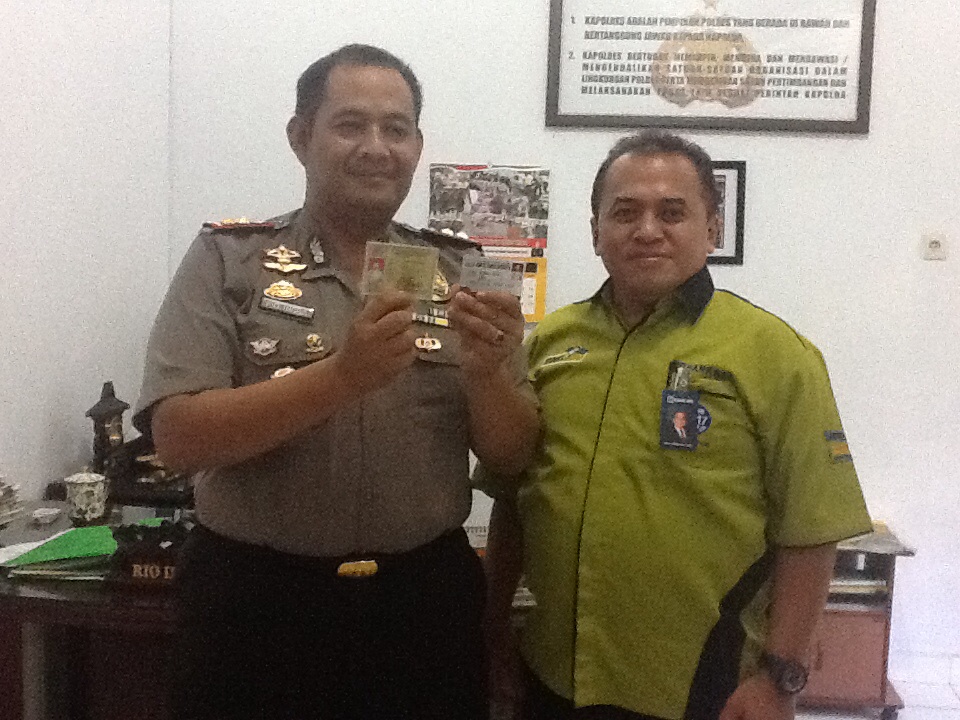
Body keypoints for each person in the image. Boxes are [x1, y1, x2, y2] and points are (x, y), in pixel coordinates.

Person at [134, 44, 539, 720]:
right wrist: (341, 378)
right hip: (258, 606)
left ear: (417, 147)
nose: (376, 147)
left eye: (396, 128)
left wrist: (486, 375)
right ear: (301, 137)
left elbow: (514, 455)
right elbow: (178, 438)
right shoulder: (228, 260)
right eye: (351, 125)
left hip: (422, 606)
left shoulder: (461, 272)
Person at [481, 130, 872, 720]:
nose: (647, 230)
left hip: (705, 686)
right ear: (595, 231)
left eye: (672, 212)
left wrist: (780, 679)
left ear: (712, 229)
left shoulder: (775, 354)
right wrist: (493, 634)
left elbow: (812, 529)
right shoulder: (551, 343)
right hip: (554, 677)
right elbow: (513, 501)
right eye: (624, 212)